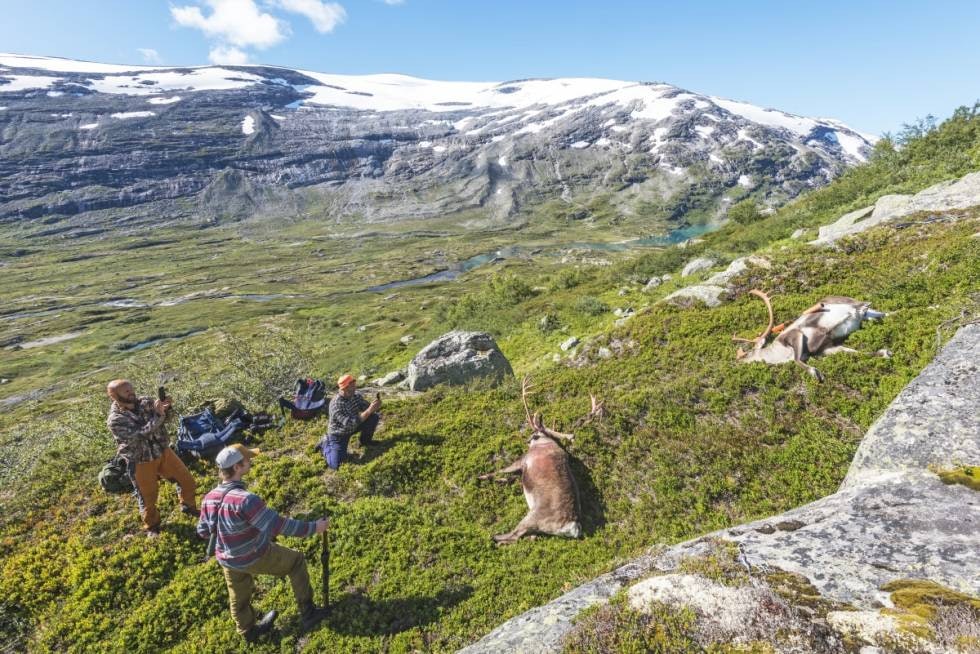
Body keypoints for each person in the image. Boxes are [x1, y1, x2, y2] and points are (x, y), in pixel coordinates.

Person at [197, 444, 330, 643]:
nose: (249, 462)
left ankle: (248, 631)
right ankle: (309, 613)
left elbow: (203, 531)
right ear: (237, 468)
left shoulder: (209, 498)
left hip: (226, 559)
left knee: (238, 595)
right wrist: (314, 528)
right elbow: (278, 526)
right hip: (253, 555)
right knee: (296, 562)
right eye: (246, 461)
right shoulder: (245, 500)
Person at [106, 379, 197, 537]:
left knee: (186, 480)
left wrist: (167, 409)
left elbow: (166, 420)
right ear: (114, 396)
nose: (131, 392)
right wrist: (158, 415)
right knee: (148, 497)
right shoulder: (115, 420)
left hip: (162, 451)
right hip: (140, 460)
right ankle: (152, 526)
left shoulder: (146, 402)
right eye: (125, 391)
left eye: (131, 388)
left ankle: (188, 506)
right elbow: (141, 434)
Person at [316, 374, 381, 469]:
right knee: (336, 465)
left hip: (354, 425)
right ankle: (325, 443)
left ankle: (365, 442)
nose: (354, 390)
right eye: (352, 388)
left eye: (354, 386)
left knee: (373, 417)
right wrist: (369, 410)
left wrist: (375, 406)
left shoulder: (355, 395)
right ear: (344, 389)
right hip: (339, 434)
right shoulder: (336, 405)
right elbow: (350, 424)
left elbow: (366, 408)